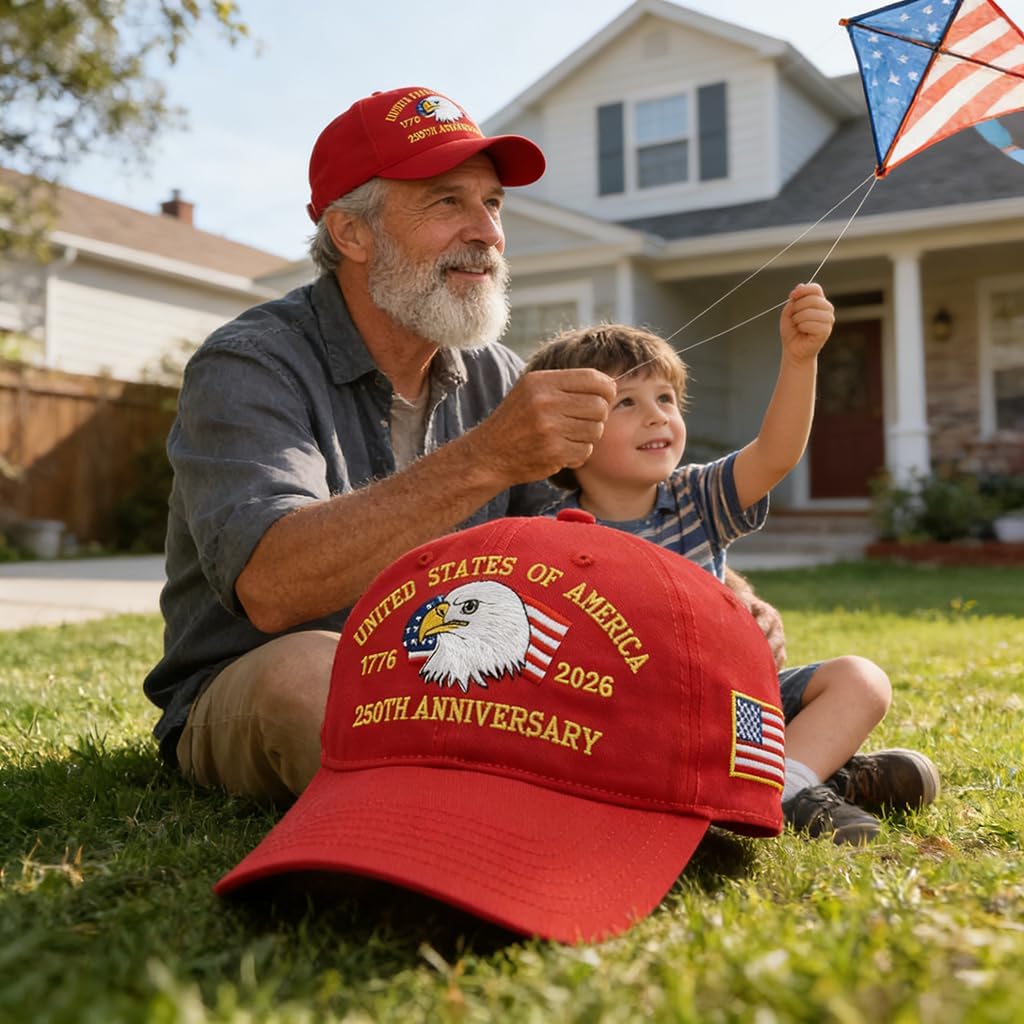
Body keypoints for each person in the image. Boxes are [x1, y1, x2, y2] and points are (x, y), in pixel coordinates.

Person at [143, 86, 620, 805]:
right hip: (260, 681)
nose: (487, 232)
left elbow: (567, 562)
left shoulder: (497, 374)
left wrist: (707, 586)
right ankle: (476, 834)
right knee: (315, 675)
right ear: (351, 234)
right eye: (446, 202)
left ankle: (768, 781)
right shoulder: (248, 364)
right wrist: (486, 456)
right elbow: (273, 588)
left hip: (461, 678)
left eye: (492, 203)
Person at [523, 319, 941, 844]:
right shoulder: (551, 539)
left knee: (862, 679)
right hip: (643, 731)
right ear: (571, 431)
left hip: (738, 708)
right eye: (626, 403)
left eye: (667, 398)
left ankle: (786, 787)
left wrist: (800, 361)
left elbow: (776, 453)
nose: (658, 415)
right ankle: (823, 779)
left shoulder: (697, 498)